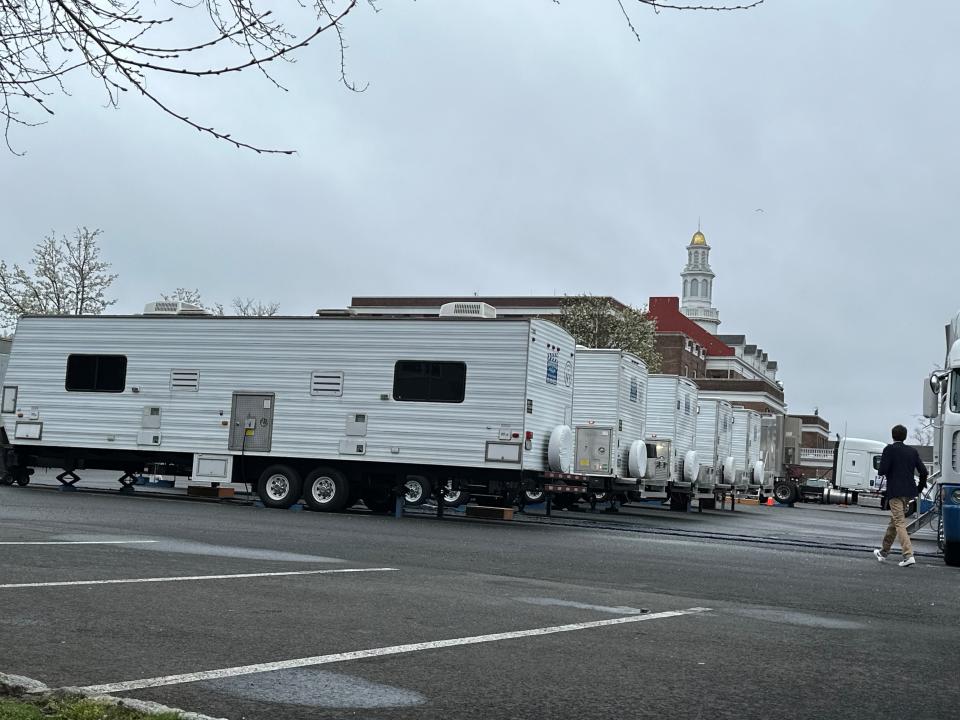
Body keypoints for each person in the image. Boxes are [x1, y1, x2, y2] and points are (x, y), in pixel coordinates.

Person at [873, 424, 928, 567]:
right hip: (909, 492)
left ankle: (908, 555)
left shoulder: (889, 449)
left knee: (899, 522)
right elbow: (924, 472)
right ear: (905, 436)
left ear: (893, 435)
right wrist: (919, 488)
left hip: (895, 492)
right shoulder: (912, 451)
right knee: (895, 521)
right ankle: (884, 552)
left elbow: (882, 470)